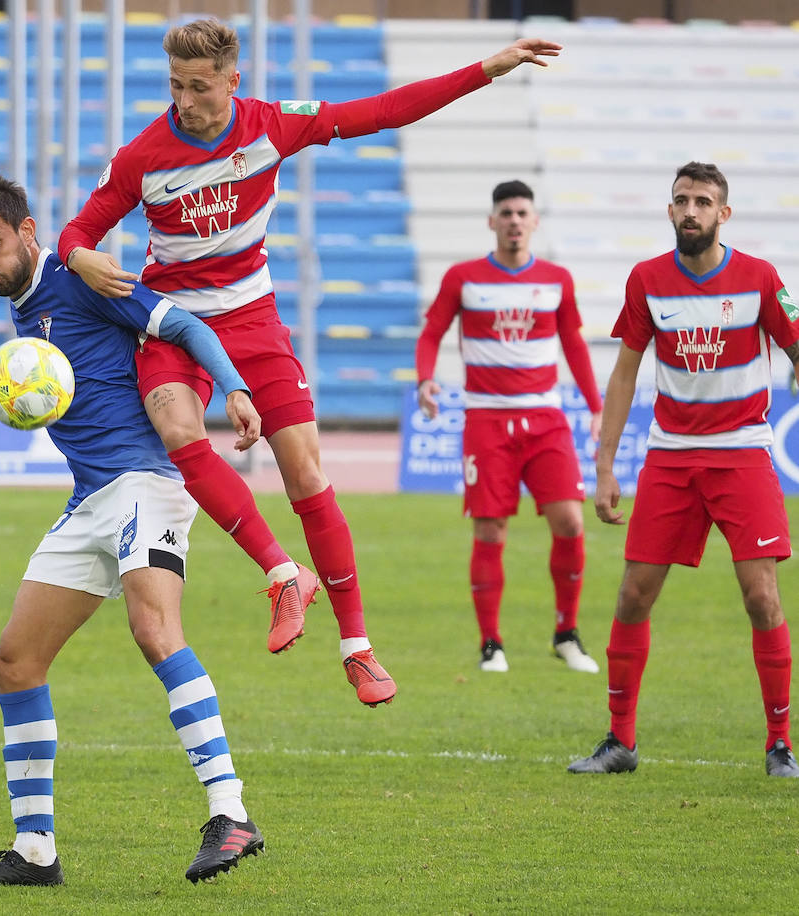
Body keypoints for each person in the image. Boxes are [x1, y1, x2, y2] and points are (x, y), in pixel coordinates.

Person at [58, 17, 562, 706]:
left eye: (199, 87)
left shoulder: (271, 125)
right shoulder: (144, 154)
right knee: (180, 434)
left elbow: (382, 111)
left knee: (306, 471)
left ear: (233, 82)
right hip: (172, 324)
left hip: (254, 320)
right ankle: (280, 573)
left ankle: (357, 647)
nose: (184, 100)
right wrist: (80, 254)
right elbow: (78, 231)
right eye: (175, 85)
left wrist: (488, 68)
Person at [0, 176, 267, 887]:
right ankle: (34, 851)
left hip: (145, 485)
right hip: (90, 498)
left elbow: (184, 325)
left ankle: (231, 812)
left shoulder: (76, 278)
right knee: (15, 662)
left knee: (156, 632)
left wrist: (235, 389)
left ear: (29, 232)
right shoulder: (27, 312)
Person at [568, 161, 799, 778]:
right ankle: (620, 742)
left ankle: (780, 744)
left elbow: (798, 343)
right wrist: (606, 464)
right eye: (680, 201)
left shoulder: (759, 278)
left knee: (761, 597)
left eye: (702, 201)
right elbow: (624, 372)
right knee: (634, 595)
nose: (690, 211)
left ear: (724, 214)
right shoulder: (647, 280)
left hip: (744, 452)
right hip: (671, 457)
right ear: (670, 211)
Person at [416, 180, 603, 674]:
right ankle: (491, 644)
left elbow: (575, 345)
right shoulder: (464, 277)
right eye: (506, 212)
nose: (515, 220)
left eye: (523, 212)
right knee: (491, 529)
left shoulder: (557, 279)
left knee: (571, 521)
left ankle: (566, 633)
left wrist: (596, 405)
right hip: (487, 420)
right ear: (492, 221)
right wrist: (425, 380)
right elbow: (432, 331)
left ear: (534, 221)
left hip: (545, 419)